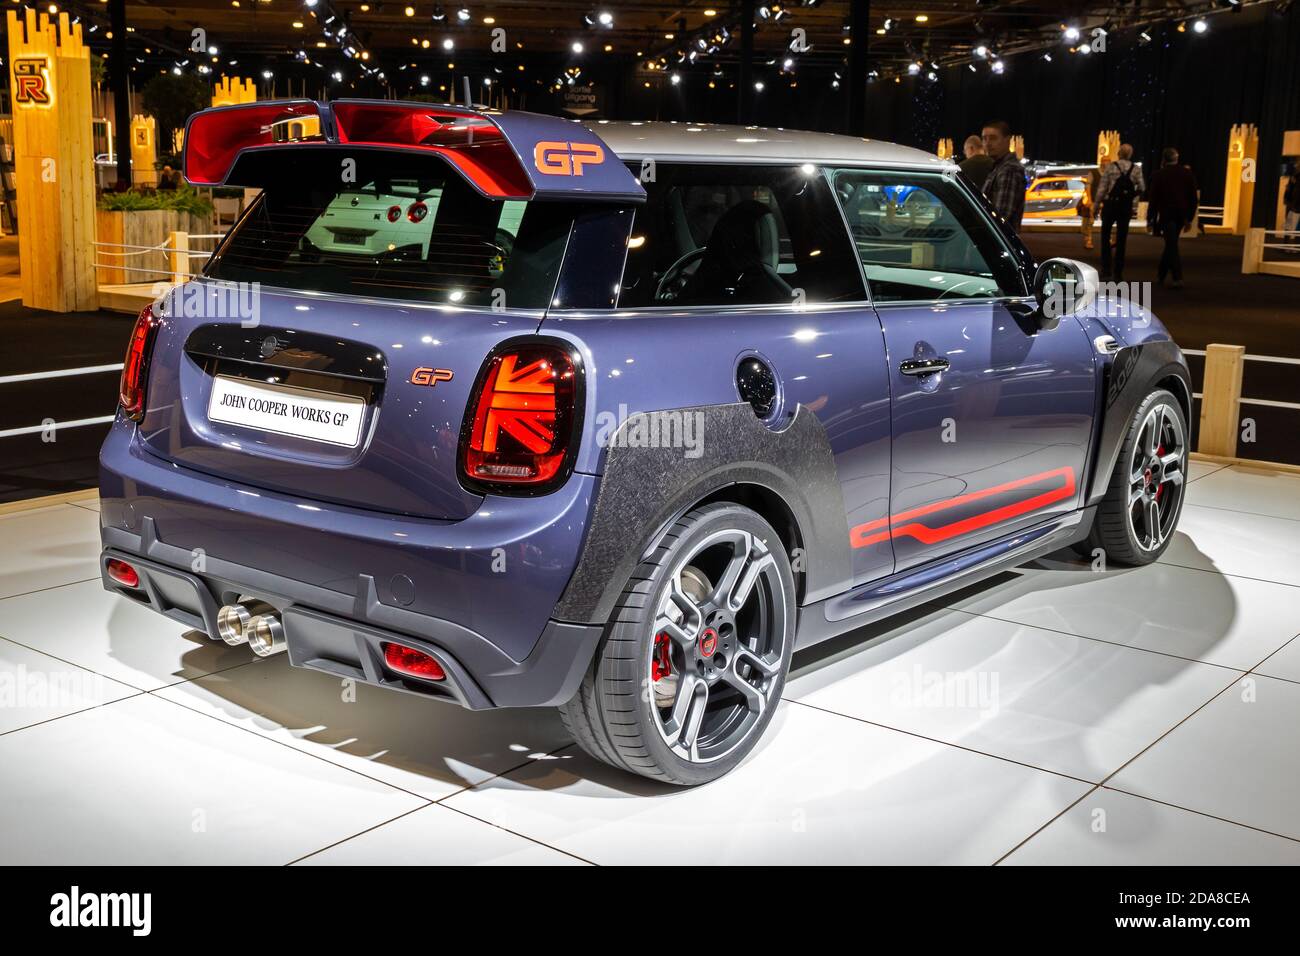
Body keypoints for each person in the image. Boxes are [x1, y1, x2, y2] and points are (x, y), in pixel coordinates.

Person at [1146, 147, 1199, 288]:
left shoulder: (1158, 175)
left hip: (1166, 215)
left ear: (1164, 159)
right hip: (1181, 216)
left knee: (1171, 244)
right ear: (1177, 158)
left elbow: (1153, 199)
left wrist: (1150, 219)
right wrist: (1189, 218)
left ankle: (1177, 277)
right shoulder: (1187, 174)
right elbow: (1193, 199)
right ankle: (1161, 275)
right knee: (1172, 243)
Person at [1094, 142, 1145, 281]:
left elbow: (1102, 188)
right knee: (1122, 239)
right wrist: (1130, 197)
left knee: (1105, 236)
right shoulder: (1136, 169)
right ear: (1131, 155)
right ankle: (1118, 272)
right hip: (1125, 207)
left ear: (1118, 154)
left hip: (1110, 205)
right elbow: (1142, 187)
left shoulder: (1111, 167)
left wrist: (1096, 205)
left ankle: (1106, 268)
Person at [980, 120, 1025, 233]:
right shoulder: (998, 167)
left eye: (993, 138)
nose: (988, 143)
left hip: (997, 240)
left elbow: (1000, 216)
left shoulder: (1009, 170)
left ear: (1007, 140)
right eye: (984, 138)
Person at [1078, 161, 1105, 251]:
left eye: (1109, 161)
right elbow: (1088, 186)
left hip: (1106, 201)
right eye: (1105, 161)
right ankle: (1088, 240)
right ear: (1102, 162)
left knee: (1108, 221)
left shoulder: (1110, 173)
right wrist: (1089, 199)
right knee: (1090, 221)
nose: (1107, 163)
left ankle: (1108, 239)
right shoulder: (1093, 172)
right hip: (1093, 200)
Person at [1285, 166, 1300, 234]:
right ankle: (1286, 239)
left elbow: (1289, 188)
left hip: (1292, 202)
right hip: (1292, 202)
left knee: (1289, 223)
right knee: (1288, 224)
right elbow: (1289, 188)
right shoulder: (1294, 176)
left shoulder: (1294, 176)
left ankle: (1288, 239)